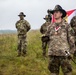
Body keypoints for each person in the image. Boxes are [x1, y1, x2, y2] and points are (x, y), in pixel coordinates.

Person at [46, 5, 75, 75]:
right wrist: (44, 38)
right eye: (53, 12)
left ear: (61, 14)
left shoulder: (67, 26)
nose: (54, 14)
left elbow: (71, 39)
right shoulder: (50, 26)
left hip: (64, 54)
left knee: (67, 73)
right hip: (53, 54)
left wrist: (71, 52)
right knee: (53, 73)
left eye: (56, 12)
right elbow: (47, 37)